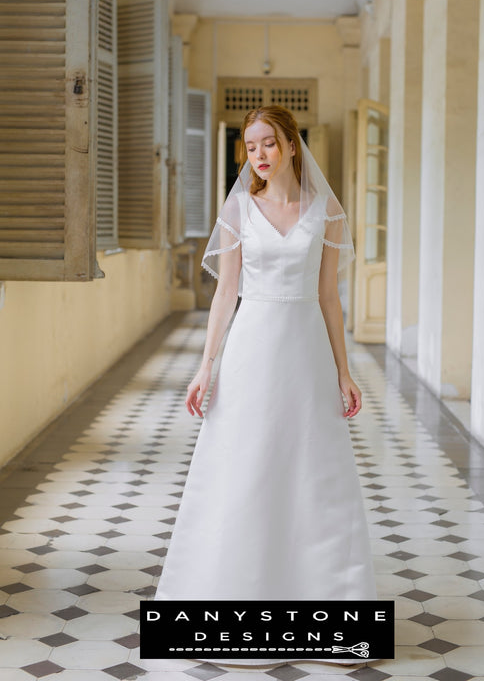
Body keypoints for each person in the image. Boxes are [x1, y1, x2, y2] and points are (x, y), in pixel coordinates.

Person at [152, 105, 377, 669]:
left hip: (304, 350)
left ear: (291, 146)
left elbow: (329, 297)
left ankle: (321, 612)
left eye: (268, 143)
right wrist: (207, 366)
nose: (258, 154)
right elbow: (225, 295)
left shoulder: (325, 210)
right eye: (250, 146)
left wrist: (344, 371)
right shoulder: (238, 210)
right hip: (251, 349)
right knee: (244, 467)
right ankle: (232, 604)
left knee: (309, 470)